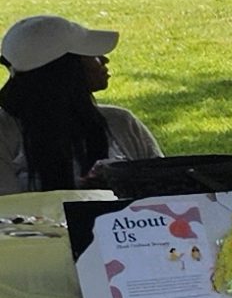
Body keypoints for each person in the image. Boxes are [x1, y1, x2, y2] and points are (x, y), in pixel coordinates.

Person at [1, 14, 160, 192]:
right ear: (66, 69)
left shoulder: (122, 122)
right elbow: (7, 209)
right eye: (91, 54)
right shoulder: (5, 134)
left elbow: (164, 191)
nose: (104, 59)